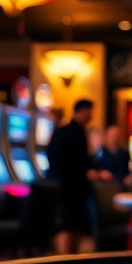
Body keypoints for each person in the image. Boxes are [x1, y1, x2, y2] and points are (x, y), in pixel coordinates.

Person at [48, 99, 97, 254]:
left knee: (74, 226)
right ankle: (65, 259)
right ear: (82, 111)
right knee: (68, 226)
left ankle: (71, 259)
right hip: (68, 188)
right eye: (89, 112)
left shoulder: (76, 132)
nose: (91, 116)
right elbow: (58, 158)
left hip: (72, 187)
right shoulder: (69, 132)